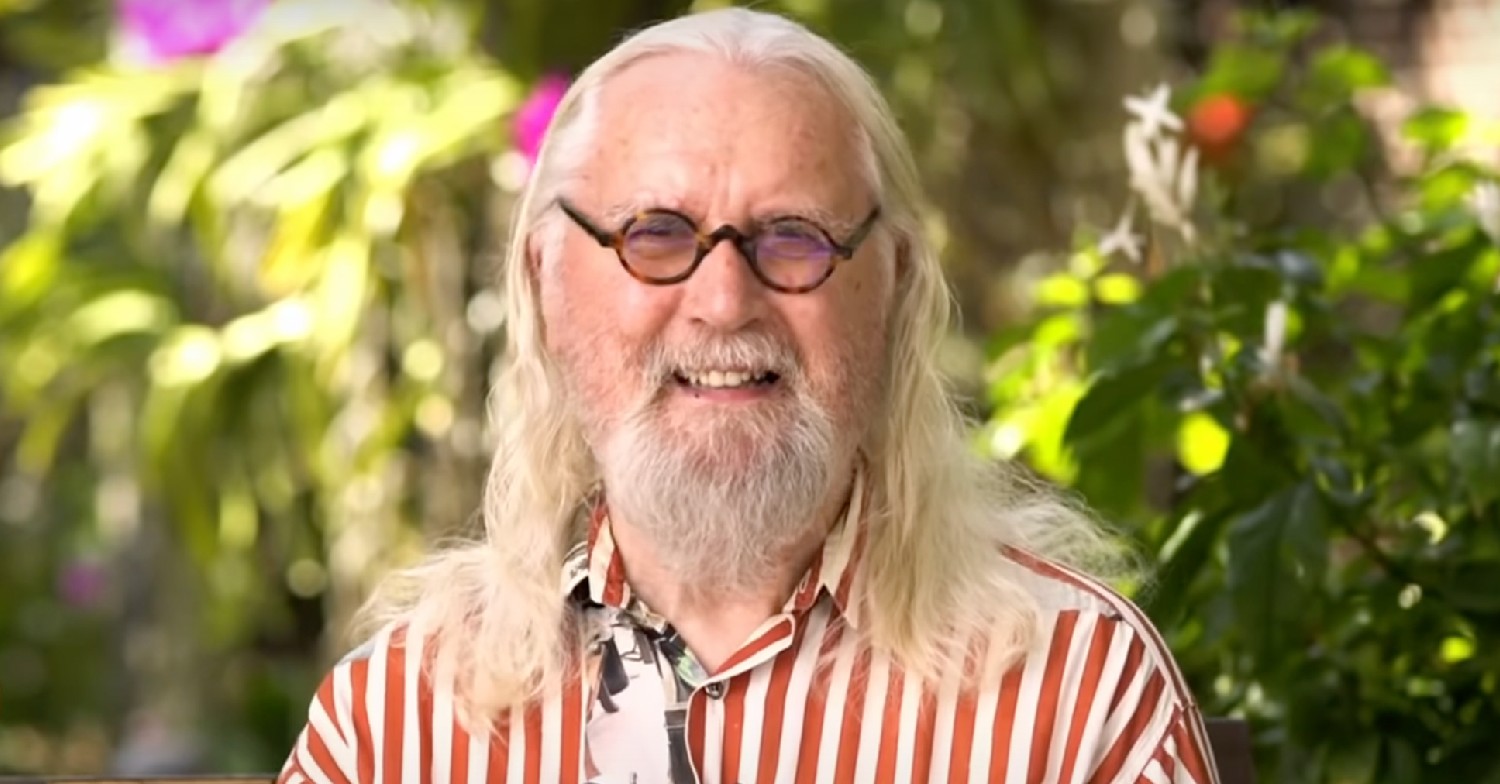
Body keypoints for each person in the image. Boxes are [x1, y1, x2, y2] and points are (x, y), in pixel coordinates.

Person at [278, 8, 1219, 784]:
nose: (725, 303)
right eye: (654, 232)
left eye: (795, 237)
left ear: (889, 284)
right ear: (545, 278)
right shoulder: (396, 723)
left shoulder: (1078, 697)